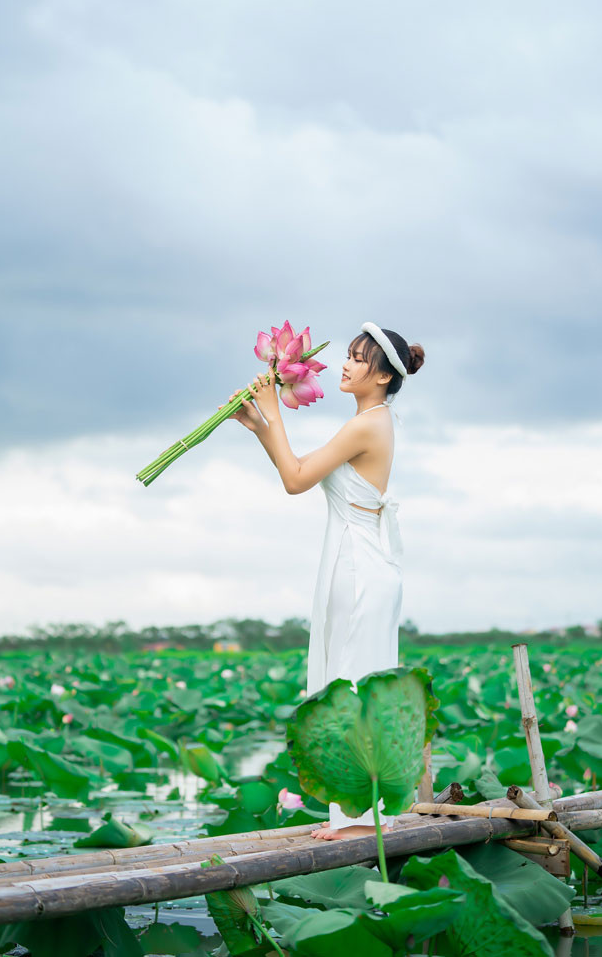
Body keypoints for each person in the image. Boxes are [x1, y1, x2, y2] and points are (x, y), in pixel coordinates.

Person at [224, 322, 424, 839]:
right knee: (348, 683)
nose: (346, 364)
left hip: (358, 569)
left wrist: (271, 409)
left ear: (381, 377)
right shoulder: (369, 421)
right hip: (353, 563)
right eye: (351, 355)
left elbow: (295, 480)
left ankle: (363, 823)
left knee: (353, 685)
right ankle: (359, 815)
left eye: (359, 359)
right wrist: (259, 426)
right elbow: (297, 472)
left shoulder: (369, 424)